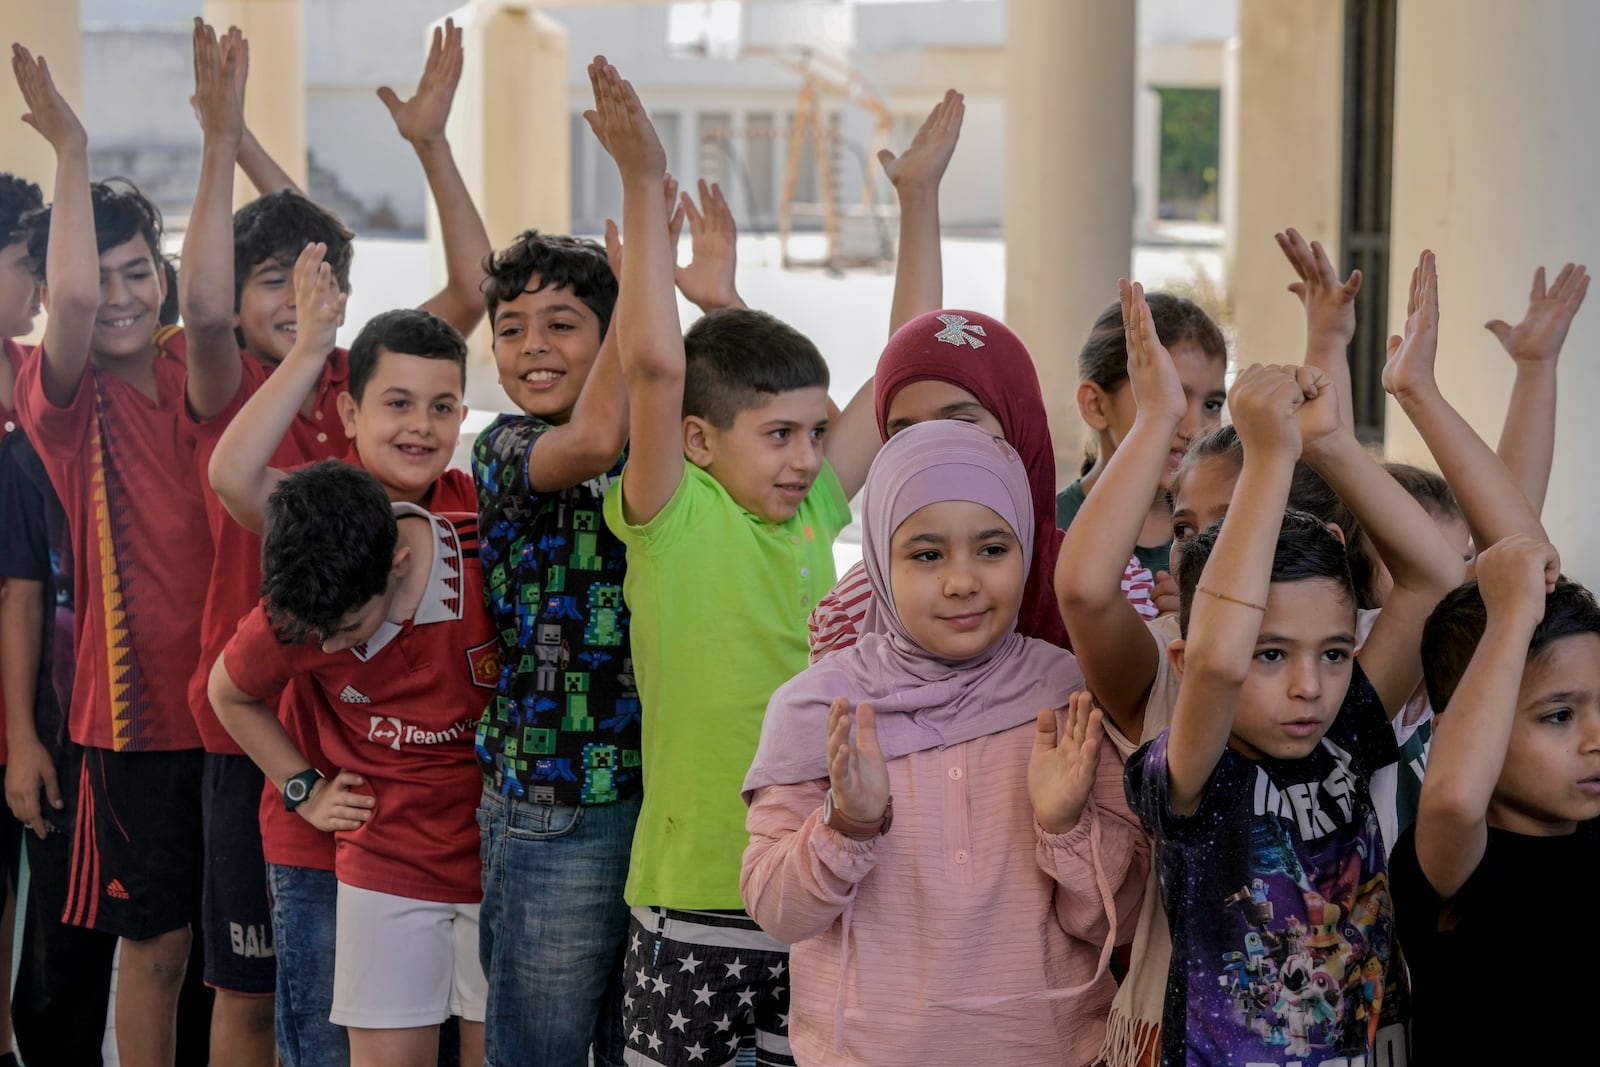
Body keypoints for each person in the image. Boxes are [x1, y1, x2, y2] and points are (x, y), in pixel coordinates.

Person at [176, 21, 491, 1063]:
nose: (415, 418)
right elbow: (232, 467)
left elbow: (462, 286)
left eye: (435, 405)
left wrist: (431, 147)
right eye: (392, 403)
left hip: (424, 819)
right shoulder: (282, 417)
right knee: (286, 1012)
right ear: (351, 408)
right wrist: (226, 140)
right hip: (281, 754)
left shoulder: (388, 391)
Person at [588, 56, 876, 1066]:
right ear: (701, 444)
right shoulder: (675, 516)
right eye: (781, 437)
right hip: (696, 902)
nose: (807, 457)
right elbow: (662, 372)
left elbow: (904, 373)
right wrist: (642, 181)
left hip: (809, 891)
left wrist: (917, 200)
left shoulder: (805, 514)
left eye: (816, 434)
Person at [742, 419, 1147, 1065]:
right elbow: (777, 912)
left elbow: (1116, 924)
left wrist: (1067, 823)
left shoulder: (1067, 695)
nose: (962, 581)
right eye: (927, 554)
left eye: (992, 549)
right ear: (878, 555)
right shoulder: (822, 708)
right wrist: (847, 824)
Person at [8, 44, 247, 1065]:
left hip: (238, 705)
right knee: (153, 952)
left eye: (136, 271)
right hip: (134, 721)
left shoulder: (195, 367)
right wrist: (72, 147)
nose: (117, 295)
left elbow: (217, 300)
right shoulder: (60, 397)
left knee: (227, 965)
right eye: (98, 272)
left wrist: (220, 140)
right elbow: (63, 306)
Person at [1123, 359, 1462, 1066]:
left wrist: (1332, 443)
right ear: (1186, 666)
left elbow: (1434, 576)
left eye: (1335, 653)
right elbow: (1221, 657)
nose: (1310, 685)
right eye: (1271, 655)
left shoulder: (1347, 733)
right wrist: (1270, 459)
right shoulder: (1196, 775)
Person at [210, 459, 494, 1067]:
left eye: (349, 628)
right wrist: (303, 789)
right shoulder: (306, 601)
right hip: (384, 862)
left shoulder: (490, 558)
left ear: (399, 564)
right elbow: (227, 692)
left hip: (499, 866)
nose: (332, 649)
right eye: (318, 637)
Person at [1390, 537, 1599, 1063]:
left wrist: (1523, 588)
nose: (1596, 738)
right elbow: (1455, 800)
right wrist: (1509, 616)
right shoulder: (1451, 861)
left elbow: (1531, 549)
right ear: (1461, 730)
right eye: (1559, 716)